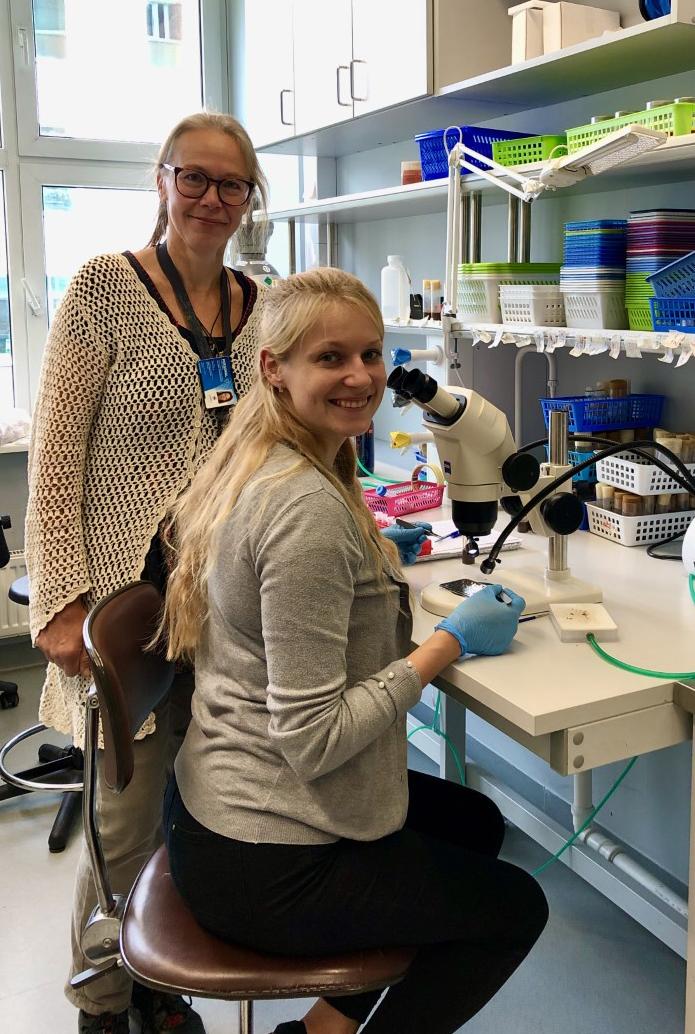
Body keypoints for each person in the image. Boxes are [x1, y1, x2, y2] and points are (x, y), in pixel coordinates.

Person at [160, 267, 549, 1034]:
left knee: (470, 825)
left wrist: (374, 558)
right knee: (513, 909)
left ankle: (319, 1032)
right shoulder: (303, 507)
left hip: (212, 805)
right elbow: (313, 737)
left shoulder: (274, 458)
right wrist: (446, 642)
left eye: (371, 355)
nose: (362, 377)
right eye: (330, 358)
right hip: (262, 856)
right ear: (273, 367)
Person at [25, 111, 269, 1034]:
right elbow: (56, 460)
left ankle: (161, 982)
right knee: (124, 823)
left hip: (231, 605)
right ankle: (102, 995)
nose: (212, 198)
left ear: (251, 200)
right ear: (161, 182)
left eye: (231, 184)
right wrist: (61, 605)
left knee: (205, 807)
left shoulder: (261, 306)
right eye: (193, 177)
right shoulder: (103, 290)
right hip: (129, 608)